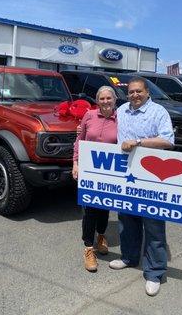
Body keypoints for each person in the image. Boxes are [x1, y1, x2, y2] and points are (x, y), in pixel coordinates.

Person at [109, 76, 174, 296]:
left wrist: (138, 142)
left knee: (154, 224)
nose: (135, 95)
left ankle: (155, 272)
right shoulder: (123, 110)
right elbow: (106, 120)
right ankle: (128, 257)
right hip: (126, 173)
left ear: (148, 92)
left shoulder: (158, 112)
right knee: (126, 219)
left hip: (152, 176)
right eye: (131, 92)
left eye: (139, 91)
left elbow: (168, 140)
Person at [72, 86, 118, 272]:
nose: (106, 101)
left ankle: (101, 235)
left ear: (115, 100)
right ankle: (89, 248)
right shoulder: (89, 115)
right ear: (97, 101)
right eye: (102, 98)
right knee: (90, 209)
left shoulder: (121, 119)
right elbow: (79, 140)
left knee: (104, 207)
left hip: (108, 172)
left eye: (109, 98)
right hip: (89, 170)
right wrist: (75, 162)